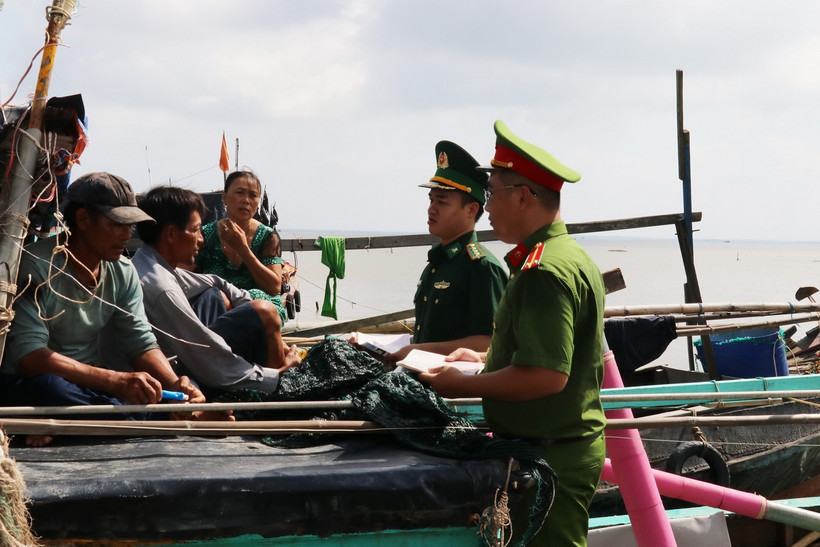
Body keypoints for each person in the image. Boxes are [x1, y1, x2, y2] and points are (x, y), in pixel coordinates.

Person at [419, 121, 606, 546]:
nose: (486, 208)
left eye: (492, 195)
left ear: (522, 196)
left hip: (551, 454)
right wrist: (487, 360)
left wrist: (464, 385)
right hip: (552, 447)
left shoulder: (544, 271)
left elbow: (547, 375)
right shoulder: (567, 255)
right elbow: (553, 356)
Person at [0, 172, 207, 446]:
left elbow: (140, 341)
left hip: (87, 385)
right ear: (84, 219)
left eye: (130, 225)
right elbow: (30, 358)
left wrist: (174, 385)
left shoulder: (122, 270)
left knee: (176, 385)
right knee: (51, 387)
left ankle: (99, 424)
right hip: (30, 384)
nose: (127, 234)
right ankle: (152, 423)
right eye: (118, 224)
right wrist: (115, 381)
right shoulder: (36, 266)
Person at [132, 186, 301, 395]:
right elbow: (202, 353)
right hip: (179, 371)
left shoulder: (148, 262)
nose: (201, 239)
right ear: (171, 234)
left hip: (186, 354)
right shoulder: (162, 287)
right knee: (266, 312)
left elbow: (215, 282)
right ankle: (279, 390)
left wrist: (252, 309)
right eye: (195, 231)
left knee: (215, 294)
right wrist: (277, 375)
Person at [388, 141, 506, 361]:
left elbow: (489, 342)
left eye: (442, 202)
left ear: (471, 210)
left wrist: (418, 351)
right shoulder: (438, 261)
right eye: (431, 200)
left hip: (455, 387)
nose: (431, 209)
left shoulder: (481, 266)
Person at [194, 170, 286, 323]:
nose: (246, 200)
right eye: (240, 193)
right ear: (224, 197)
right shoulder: (206, 235)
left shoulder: (268, 237)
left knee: (255, 296)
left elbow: (274, 287)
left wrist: (243, 249)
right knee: (215, 296)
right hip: (219, 306)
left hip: (262, 310)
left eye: (253, 195)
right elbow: (186, 275)